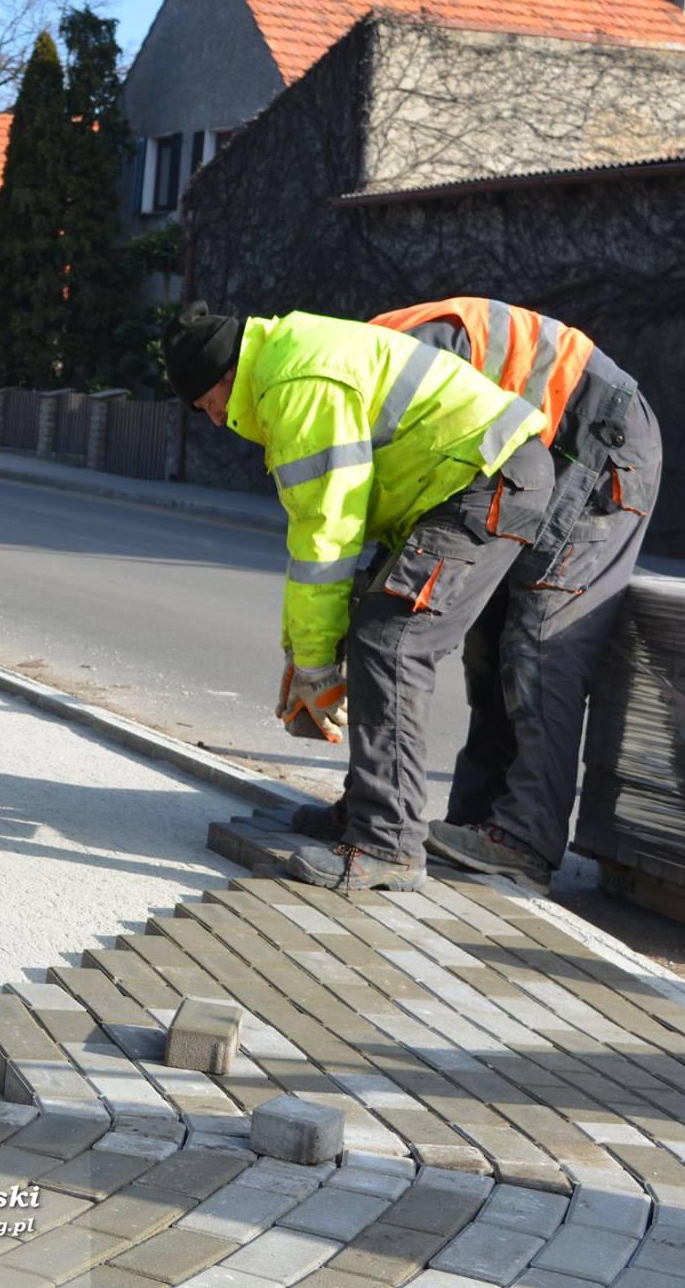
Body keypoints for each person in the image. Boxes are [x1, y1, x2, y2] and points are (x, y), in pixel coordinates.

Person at [164, 303, 552, 892]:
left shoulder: (296, 385)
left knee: (391, 642)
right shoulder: (285, 362)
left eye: (208, 406)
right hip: (463, 479)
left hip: (486, 477)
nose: (216, 421)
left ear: (222, 376)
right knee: (375, 620)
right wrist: (302, 655)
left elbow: (327, 532)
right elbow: (317, 539)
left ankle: (388, 844)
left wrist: (317, 667)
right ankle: (365, 812)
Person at [350, 298, 662, 887]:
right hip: (558, 442)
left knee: (542, 639)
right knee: (491, 633)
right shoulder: (371, 361)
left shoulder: (401, 358)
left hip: (598, 443)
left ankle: (526, 838)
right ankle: (479, 819)